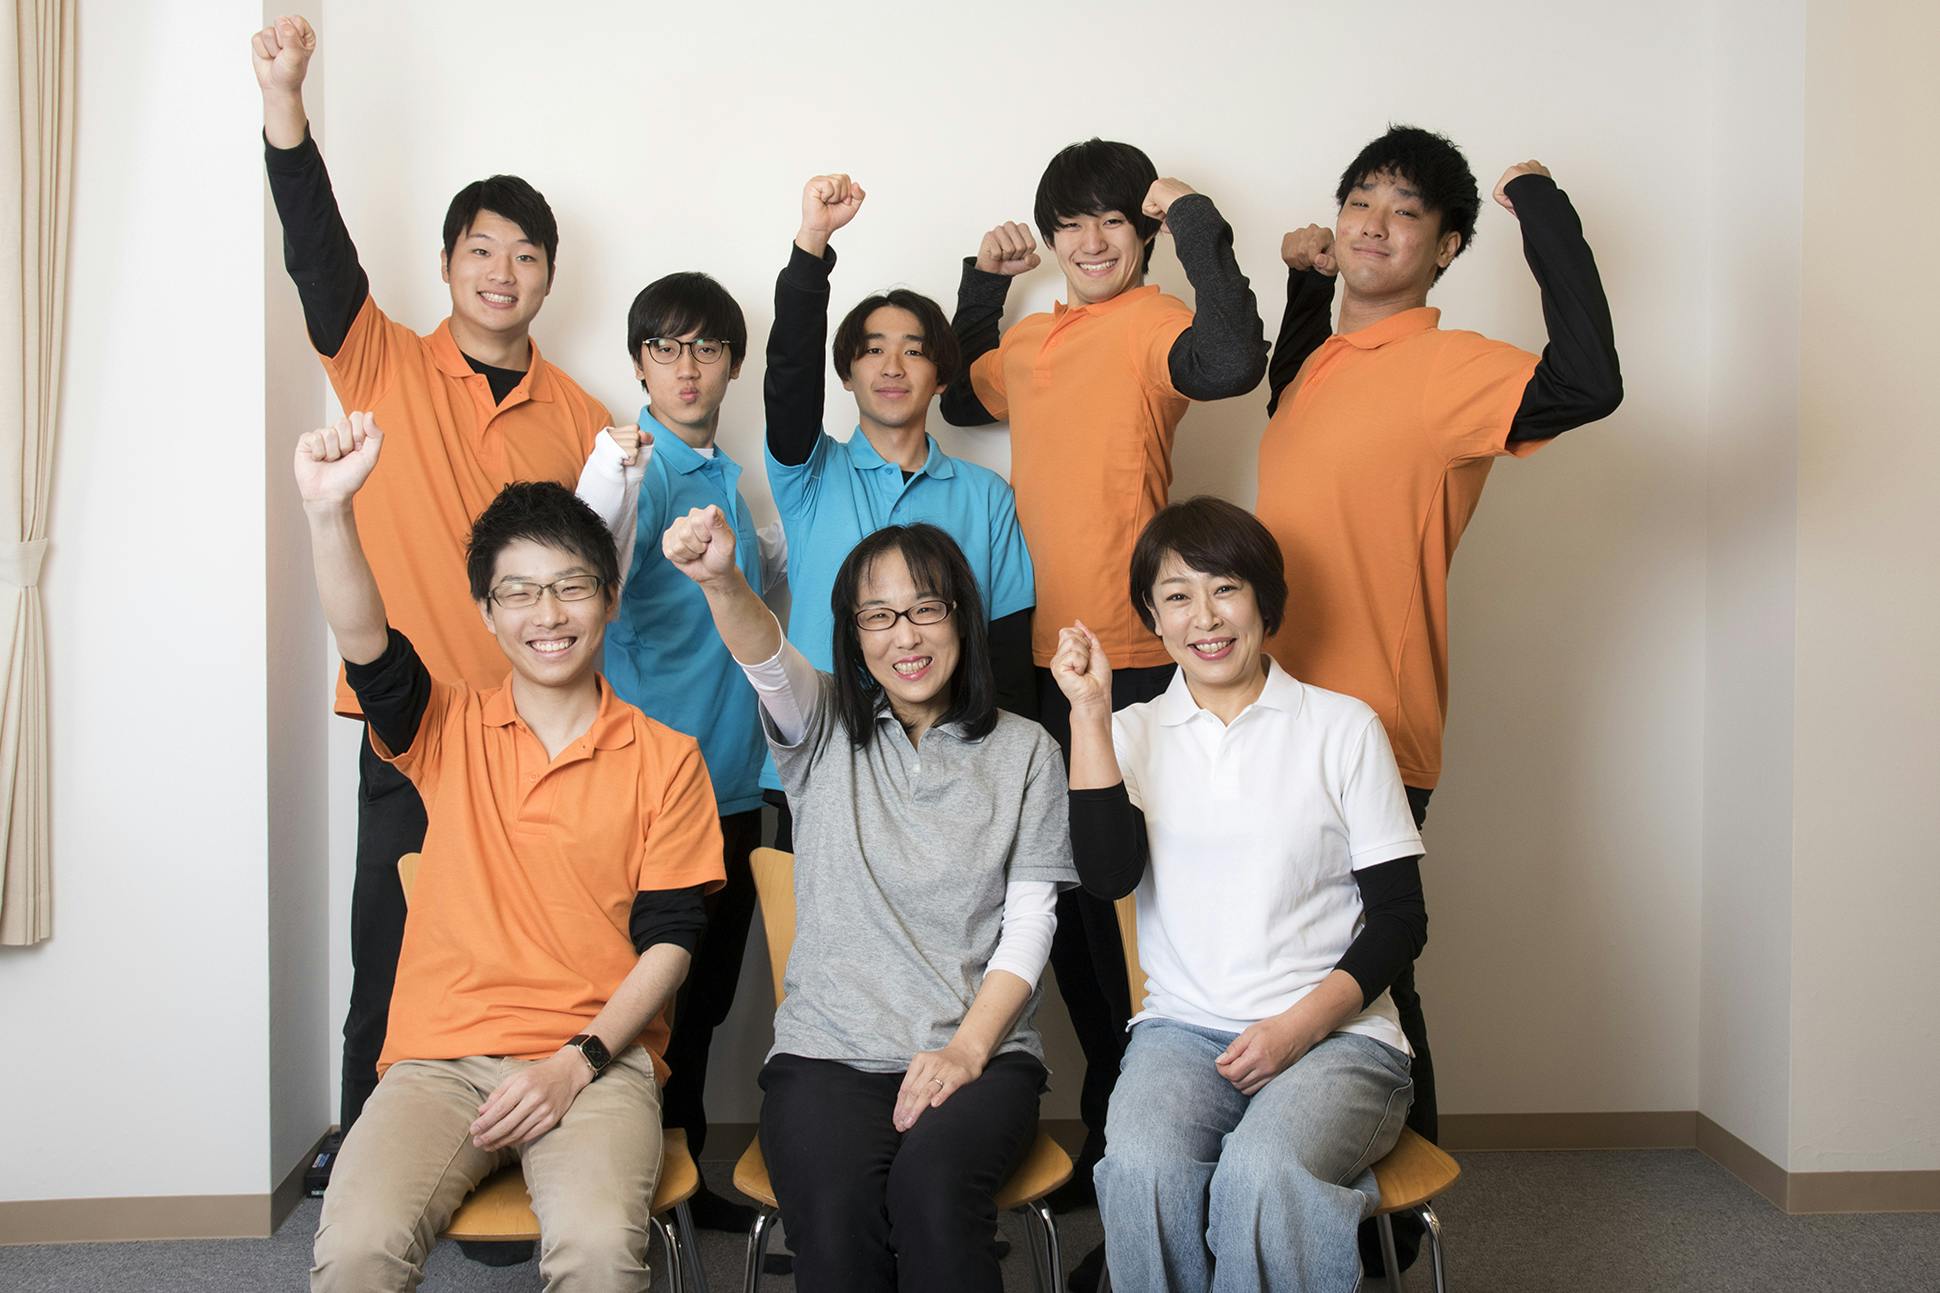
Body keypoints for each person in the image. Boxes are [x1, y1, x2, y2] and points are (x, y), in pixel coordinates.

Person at [1255, 127, 1622, 1267]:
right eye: (1360, 200)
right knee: (1288, 965)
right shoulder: (1324, 363)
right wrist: (1300, 284)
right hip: (1263, 717)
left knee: (1370, 979)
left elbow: (1589, 383)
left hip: (1371, 728)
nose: (1374, 222)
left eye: (1405, 210)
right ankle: (1319, 1205)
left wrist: (1539, 204)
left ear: (1447, 244)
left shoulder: (1453, 367)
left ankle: (1395, 1234)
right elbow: (1287, 405)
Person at [253, 13, 613, 1138]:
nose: (503, 272)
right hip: (409, 723)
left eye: (526, 255)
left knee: (534, 955)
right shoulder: (381, 359)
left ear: (549, 278)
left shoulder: (585, 419)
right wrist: (285, 106)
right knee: (394, 946)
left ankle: (516, 1151)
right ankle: (366, 1147)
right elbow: (317, 251)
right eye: (483, 250)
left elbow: (596, 589)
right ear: (449, 262)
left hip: (535, 736)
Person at [296, 414, 725, 1292]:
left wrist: (578, 1061)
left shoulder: (668, 759)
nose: (548, 614)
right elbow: (366, 644)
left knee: (599, 1252)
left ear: (609, 597)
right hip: (438, 1064)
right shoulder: (445, 728)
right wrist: (328, 511)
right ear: (487, 614)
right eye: (519, 592)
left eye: (571, 586)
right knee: (356, 1248)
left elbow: (672, 941)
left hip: (596, 1060)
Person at [941, 137, 1268, 1216]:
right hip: (1040, 663)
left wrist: (1194, 215)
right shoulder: (1033, 337)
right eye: (1069, 224)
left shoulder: (1155, 324)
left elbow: (1233, 360)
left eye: (1113, 220)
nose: (1088, 241)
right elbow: (961, 400)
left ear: (1142, 234)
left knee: (1147, 904)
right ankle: (1114, 1127)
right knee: (1066, 902)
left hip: (1136, 662)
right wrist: (982, 285)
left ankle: (1168, 1132)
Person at [665, 506, 1075, 1293]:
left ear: (962, 616)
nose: (905, 636)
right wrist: (721, 580)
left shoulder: (1027, 750)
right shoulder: (821, 727)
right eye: (879, 615)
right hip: (827, 1055)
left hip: (981, 1054)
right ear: (854, 635)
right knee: (838, 1217)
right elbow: (765, 656)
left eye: (926, 608)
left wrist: (966, 1050)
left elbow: (1031, 925)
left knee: (933, 1197)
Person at [1054, 496, 1425, 1292]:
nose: (1205, 617)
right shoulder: (1128, 732)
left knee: (1262, 1174)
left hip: (1337, 1037)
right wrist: (1088, 713)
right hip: (1182, 1034)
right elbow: (1106, 878)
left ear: (1264, 599)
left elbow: (1402, 919)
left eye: (1226, 587)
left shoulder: (1343, 727)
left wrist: (1296, 1029)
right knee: (1141, 1168)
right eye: (1178, 595)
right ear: (1153, 616)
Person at [574, 271, 786, 1231]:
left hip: (733, 780)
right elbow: (595, 560)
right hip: (650, 791)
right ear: (639, 366)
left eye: (706, 347)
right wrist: (608, 472)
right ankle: (628, 1189)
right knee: (648, 999)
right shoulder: (641, 467)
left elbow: (757, 582)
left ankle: (682, 1180)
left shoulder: (726, 476)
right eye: (665, 348)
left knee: (705, 1000)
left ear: (734, 363)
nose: (686, 366)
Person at [763, 173, 1037, 843]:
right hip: (819, 760)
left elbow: (1006, 654)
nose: (892, 366)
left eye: (913, 351)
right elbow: (789, 373)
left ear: (940, 375)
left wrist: (1005, 779)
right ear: (846, 372)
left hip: (950, 771)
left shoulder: (985, 495)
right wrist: (813, 242)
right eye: (872, 351)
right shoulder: (809, 474)